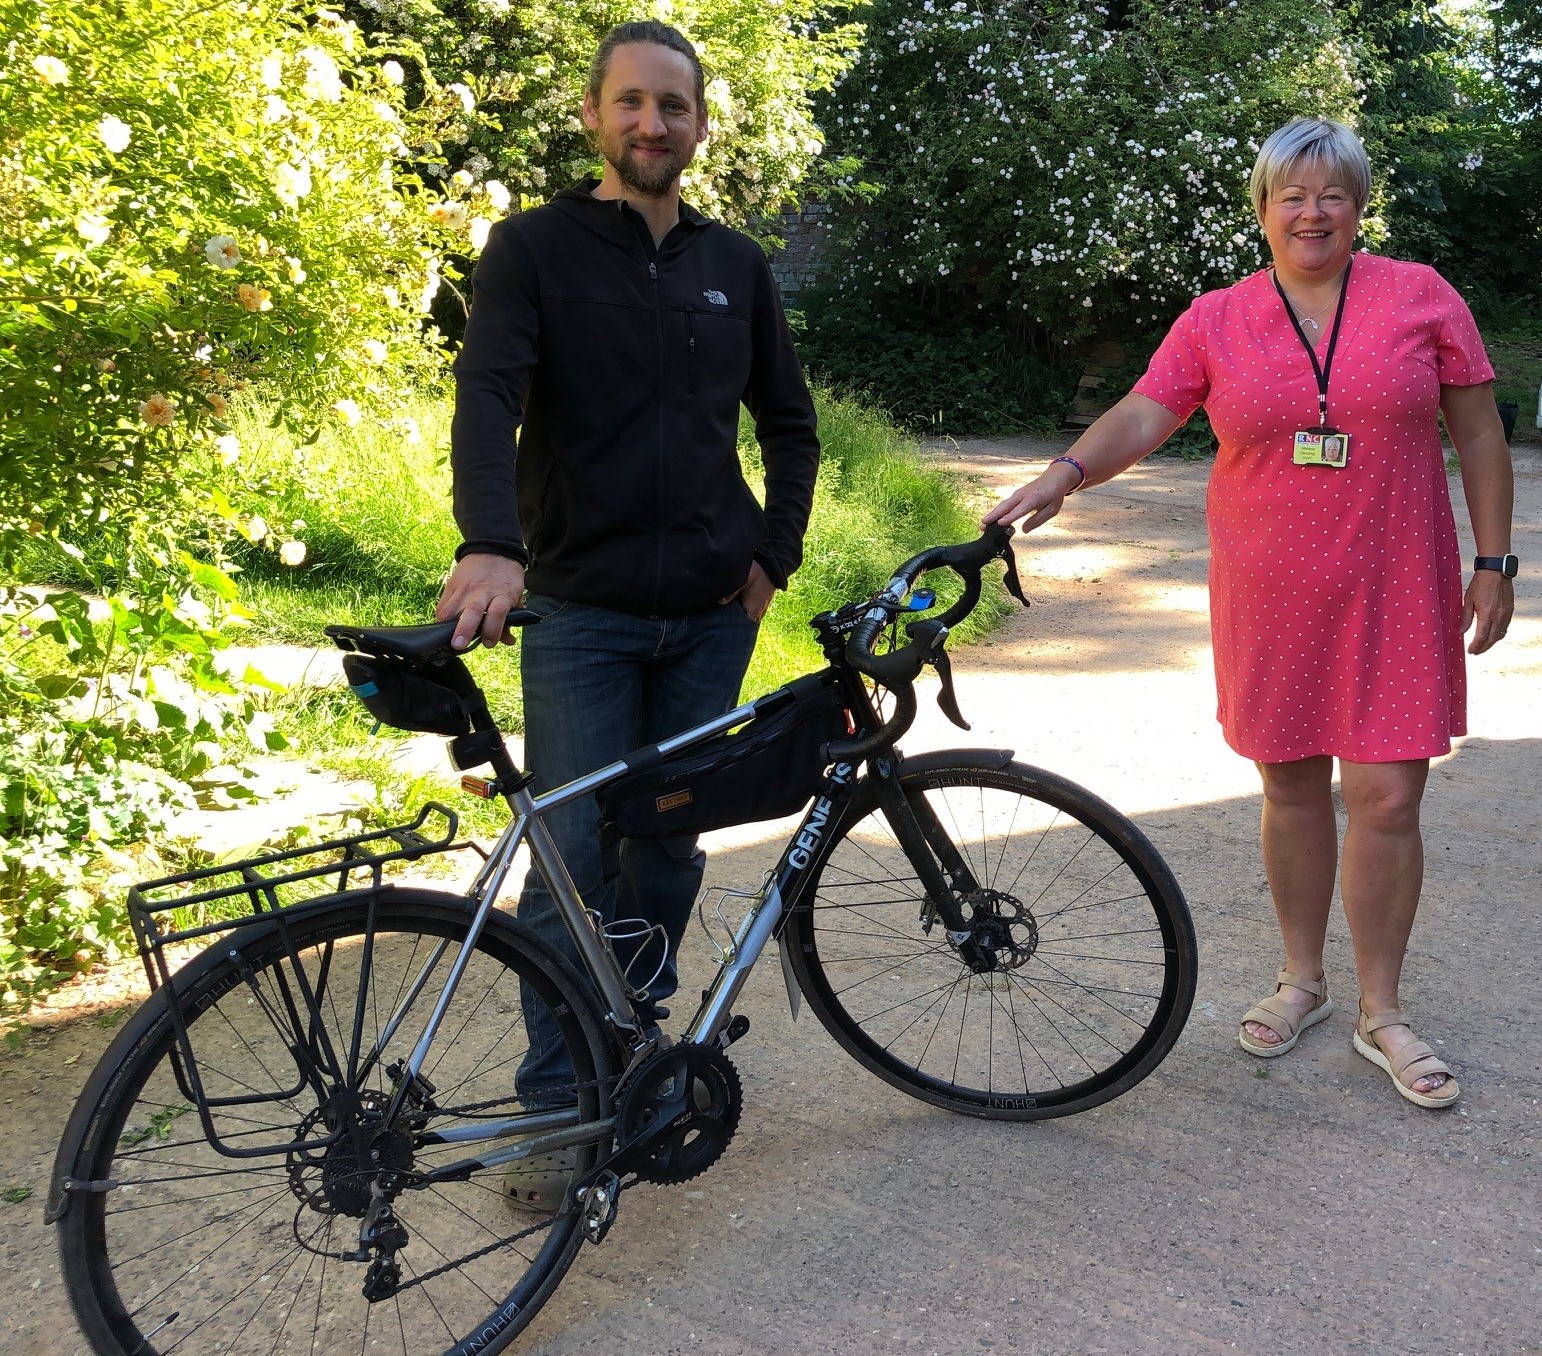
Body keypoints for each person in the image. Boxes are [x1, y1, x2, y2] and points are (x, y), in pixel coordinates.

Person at [986, 118, 1515, 1110]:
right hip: (1271, 591)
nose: (1313, 212)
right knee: (1293, 786)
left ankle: (1383, 1009)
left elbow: (1479, 430)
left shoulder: (1421, 296)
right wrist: (1067, 473)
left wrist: (1495, 560)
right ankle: (1302, 978)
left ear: (1360, 208)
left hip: (1397, 583)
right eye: (1292, 195)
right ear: (1264, 209)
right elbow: (1148, 410)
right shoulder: (1218, 317)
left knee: (1391, 797)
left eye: (1333, 195)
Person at [437, 20, 820, 1138]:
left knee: (665, 843)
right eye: (633, 103)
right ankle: (558, 1104)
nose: (654, 123)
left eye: (675, 105)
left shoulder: (734, 265)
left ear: (701, 125)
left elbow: (790, 428)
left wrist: (770, 560)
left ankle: (633, 1056)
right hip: (582, 618)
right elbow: (488, 401)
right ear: (596, 117)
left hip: (711, 621)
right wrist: (490, 542)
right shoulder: (532, 249)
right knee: (570, 860)